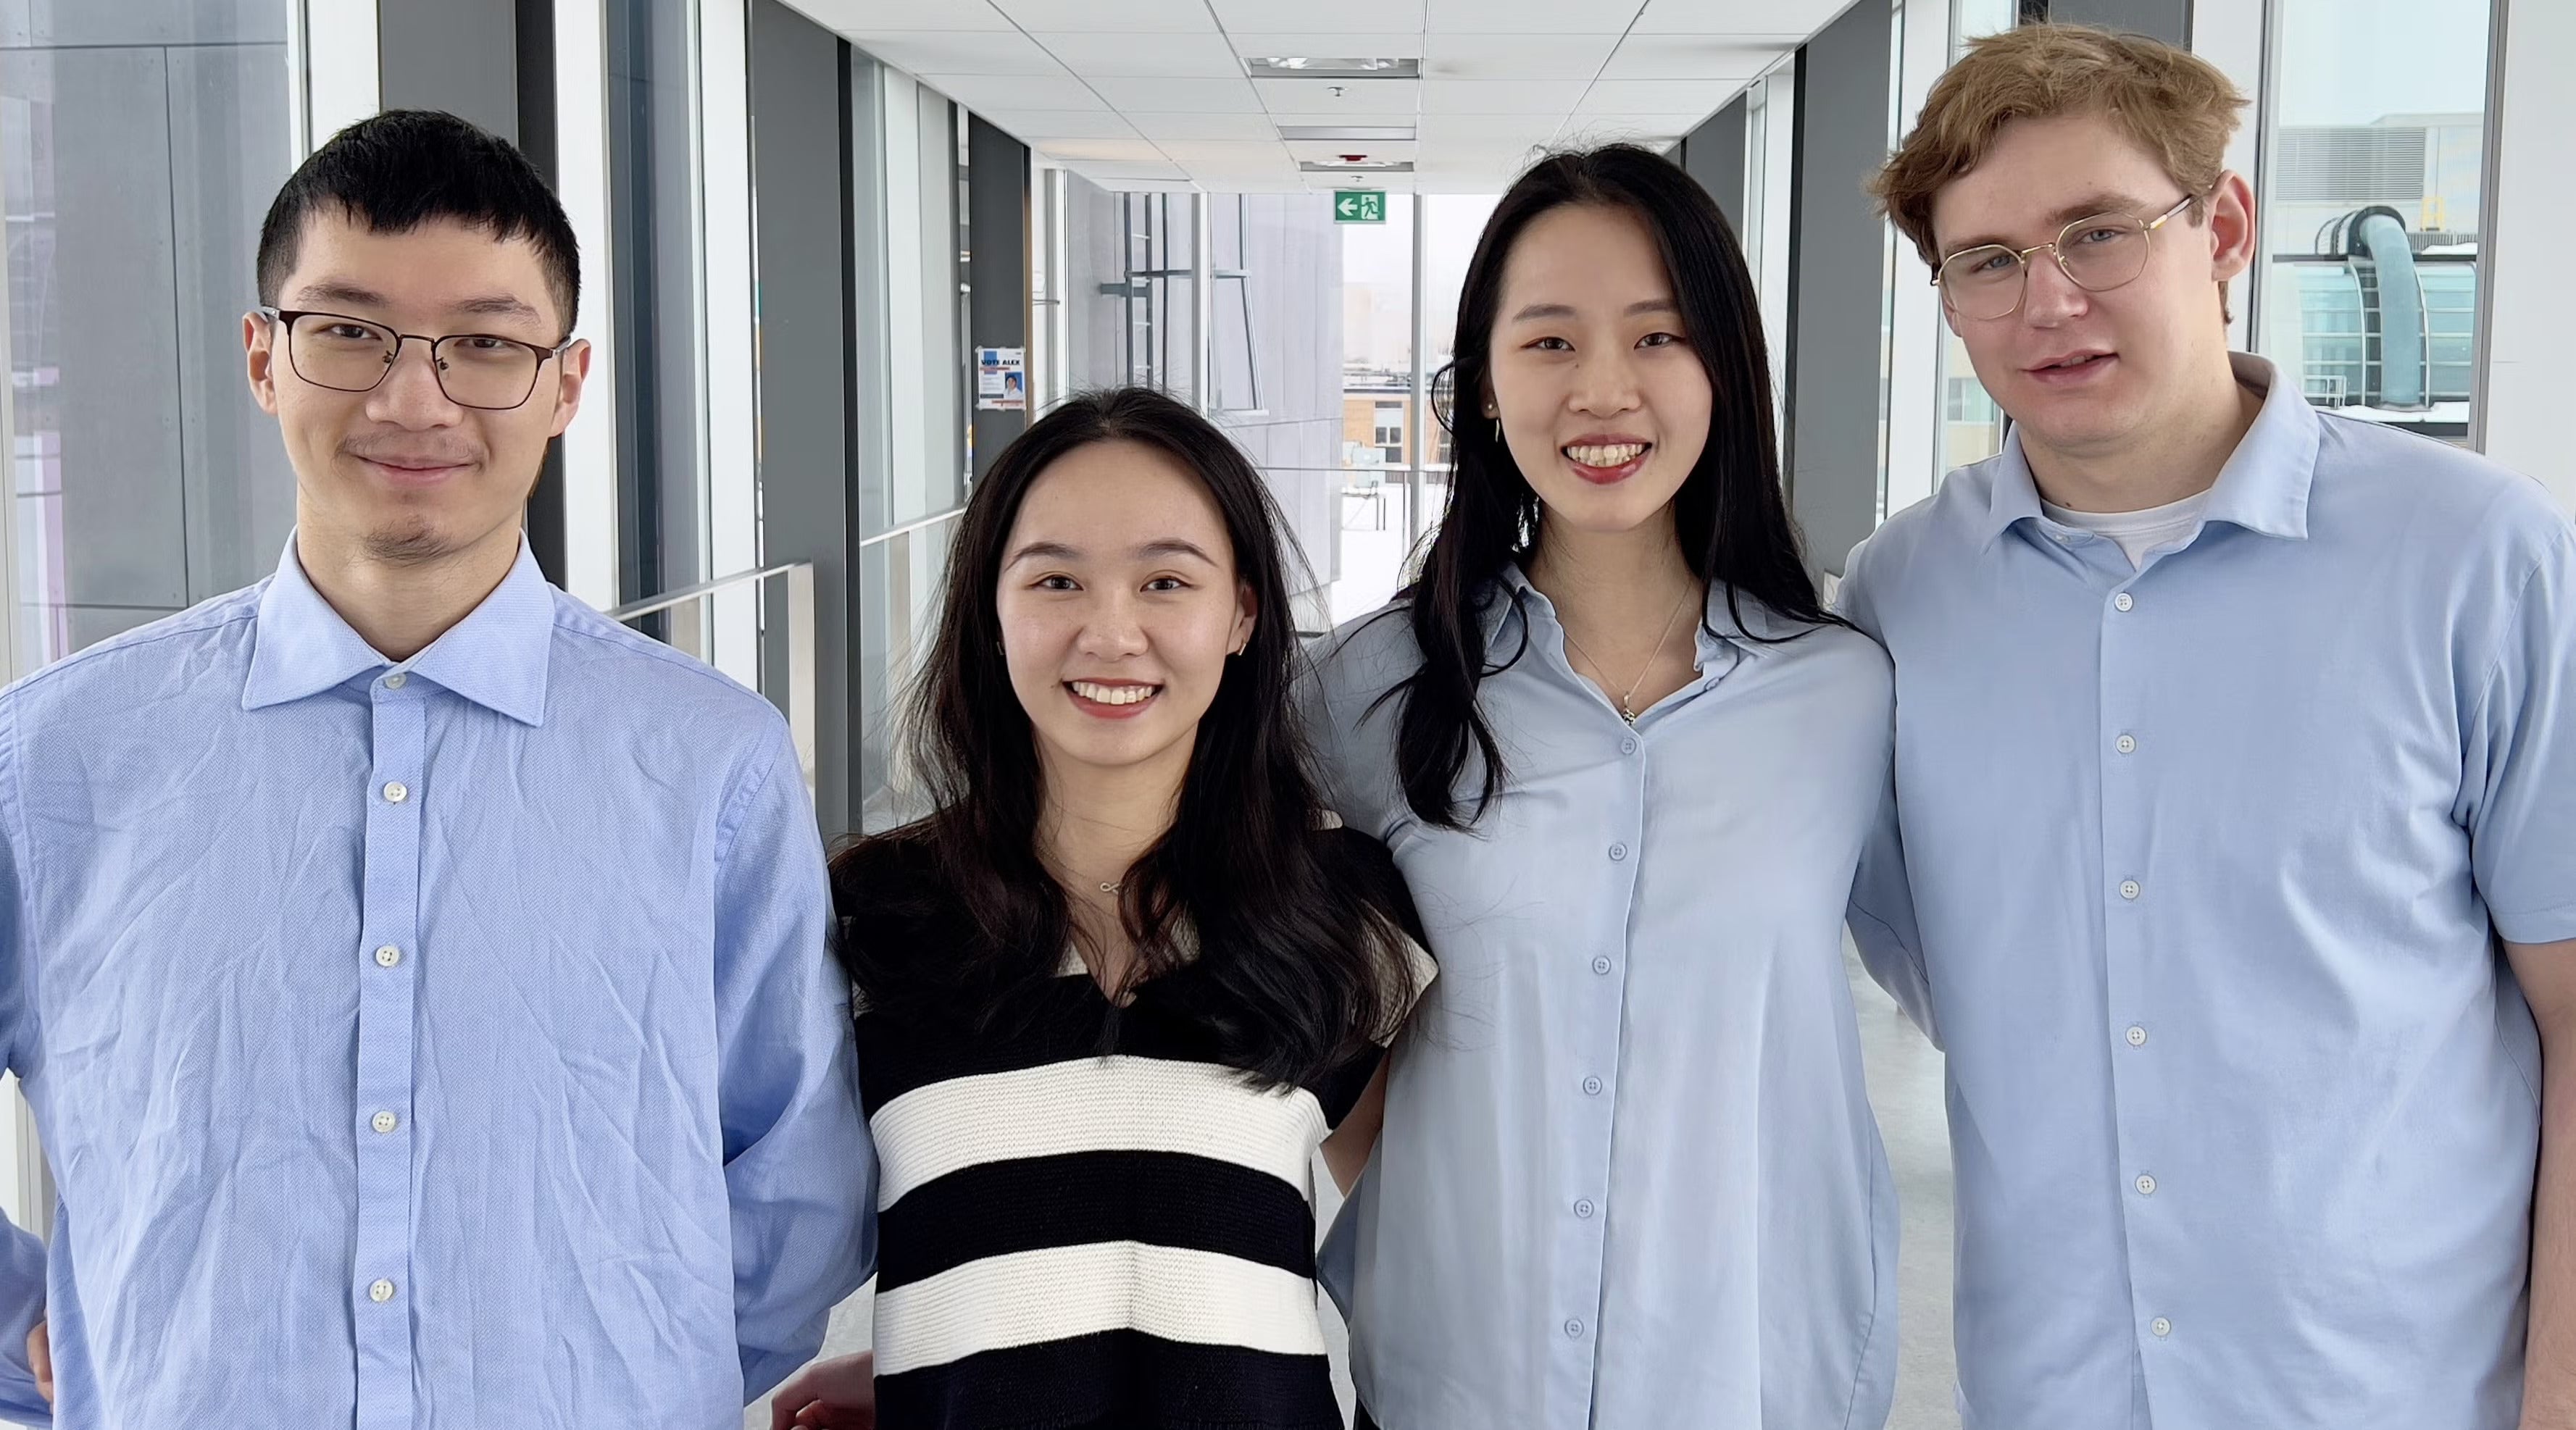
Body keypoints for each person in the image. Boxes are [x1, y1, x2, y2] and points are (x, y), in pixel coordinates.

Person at [0, 110, 874, 1426]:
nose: (416, 398)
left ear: (564, 384)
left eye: (485, 345)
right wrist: (33, 1323)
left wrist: (631, 1367)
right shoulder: (57, 754)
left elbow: (800, 1173)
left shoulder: (709, 762)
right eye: (349, 331)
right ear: (263, 357)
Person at [1844, 22, 2576, 1429]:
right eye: (1986, 261)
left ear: (2222, 225)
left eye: (2095, 233)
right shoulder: (1899, 598)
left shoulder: (2473, 557)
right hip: (2048, 1393)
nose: (2046, 301)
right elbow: (1951, 982)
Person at [1301, 146, 1898, 1429]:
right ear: (1483, 388)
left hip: (1745, 1380)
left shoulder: (1849, 696)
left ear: (1724, 370)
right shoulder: (1368, 686)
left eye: (1657, 337)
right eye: (1551, 342)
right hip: (1452, 1382)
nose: (1604, 391)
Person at [770, 388, 1431, 1430]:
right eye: (1057, 580)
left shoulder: (1341, 912)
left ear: (1243, 614)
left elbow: (1417, 1244)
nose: (1111, 632)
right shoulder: (870, 917)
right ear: (993, 608)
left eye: (1167, 580)